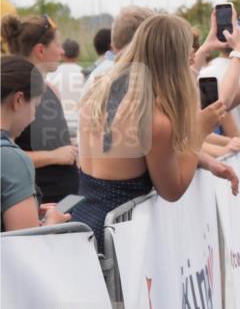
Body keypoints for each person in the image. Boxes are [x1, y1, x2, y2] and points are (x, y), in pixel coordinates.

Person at [75, 14, 228, 253]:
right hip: (120, 240)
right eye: (187, 62)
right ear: (174, 64)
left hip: (84, 224)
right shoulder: (152, 118)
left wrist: (206, 161)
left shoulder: (99, 91)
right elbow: (172, 190)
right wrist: (199, 131)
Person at [0, 14, 79, 202]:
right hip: (38, 204)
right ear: (40, 50)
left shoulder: (50, 89)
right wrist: (53, 156)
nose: (62, 51)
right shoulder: (17, 96)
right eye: (57, 44)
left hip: (64, 202)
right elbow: (7, 155)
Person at [1, 55, 71, 230]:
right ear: (18, 100)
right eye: (35, 106)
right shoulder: (13, 159)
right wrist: (52, 224)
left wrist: (24, 208)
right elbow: (26, 244)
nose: (33, 116)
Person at [48, 38, 87, 133]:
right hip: (79, 124)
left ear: (62, 53)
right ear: (78, 53)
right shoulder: (85, 74)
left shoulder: (51, 74)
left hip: (57, 124)